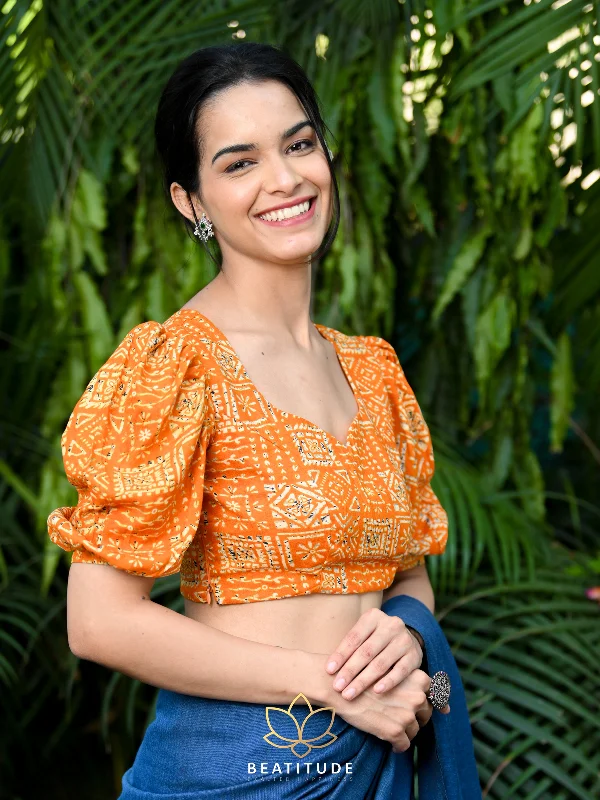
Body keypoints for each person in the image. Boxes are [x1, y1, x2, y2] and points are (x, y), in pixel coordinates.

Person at [47, 42, 480, 799]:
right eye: (238, 162)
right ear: (191, 202)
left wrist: (408, 628)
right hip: (234, 772)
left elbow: (407, 574)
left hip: (374, 756)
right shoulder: (174, 366)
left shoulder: (373, 372)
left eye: (299, 144)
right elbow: (100, 622)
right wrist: (334, 686)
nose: (284, 179)